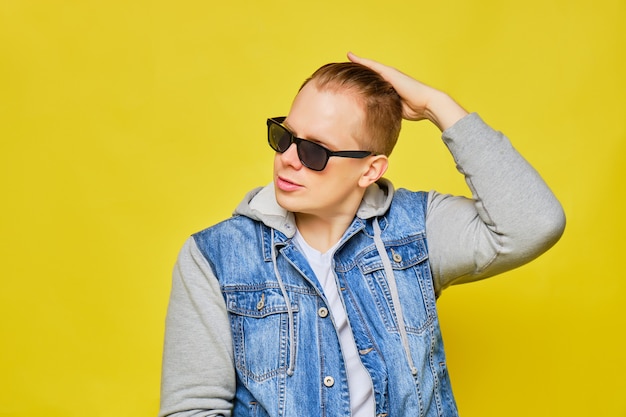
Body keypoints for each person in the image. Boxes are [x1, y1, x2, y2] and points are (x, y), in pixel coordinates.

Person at [158, 52, 565, 417]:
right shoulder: (215, 257)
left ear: (370, 170)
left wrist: (436, 106)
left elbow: (534, 223)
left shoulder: (416, 230)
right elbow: (192, 409)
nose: (287, 159)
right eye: (284, 136)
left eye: (315, 151)